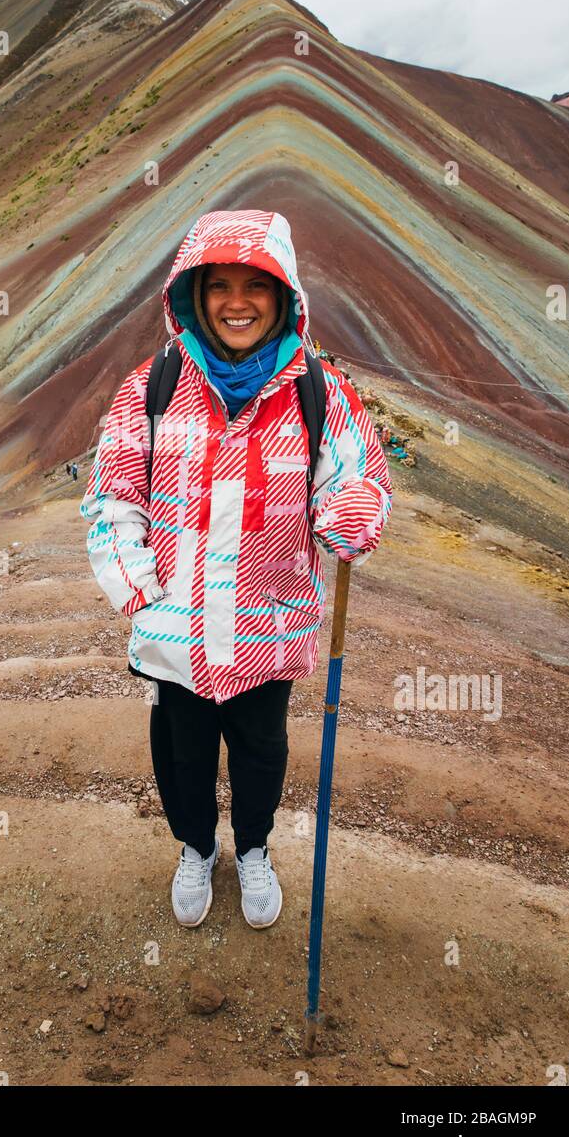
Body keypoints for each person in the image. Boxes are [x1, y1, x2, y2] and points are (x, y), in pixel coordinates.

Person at [80, 209, 392, 930]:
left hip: (267, 631)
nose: (237, 300)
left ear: (285, 295)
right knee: (181, 758)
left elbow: (358, 479)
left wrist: (351, 514)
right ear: (192, 294)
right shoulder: (150, 387)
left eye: (257, 284)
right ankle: (195, 847)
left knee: (261, 755)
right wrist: (141, 596)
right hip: (174, 635)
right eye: (218, 284)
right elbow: (111, 497)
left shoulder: (323, 394)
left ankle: (252, 848)